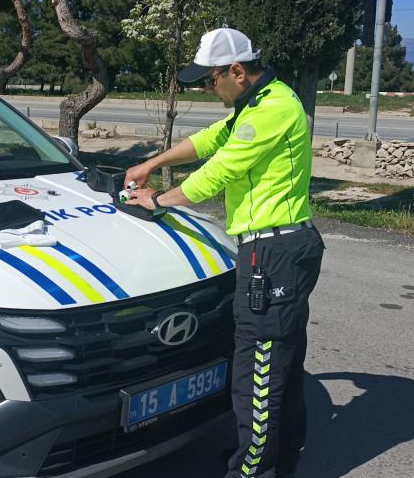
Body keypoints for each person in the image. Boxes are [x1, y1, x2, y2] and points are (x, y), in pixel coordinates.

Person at [124, 28, 325, 478]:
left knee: (256, 379)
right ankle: (280, 461)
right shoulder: (257, 102)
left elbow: (219, 171)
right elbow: (211, 139)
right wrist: (153, 162)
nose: (206, 88)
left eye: (209, 80)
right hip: (282, 248)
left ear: (236, 71)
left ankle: (251, 471)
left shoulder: (272, 109)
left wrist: (157, 200)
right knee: (282, 366)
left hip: (272, 254)